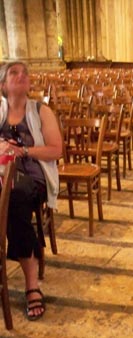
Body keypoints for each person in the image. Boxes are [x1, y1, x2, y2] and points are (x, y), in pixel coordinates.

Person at [0, 62, 62, 321]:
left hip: (32, 177)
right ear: (3, 84)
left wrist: (22, 151)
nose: (21, 75)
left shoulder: (40, 110)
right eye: (14, 72)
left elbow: (56, 150)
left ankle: (31, 284)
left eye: (24, 72)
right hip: (1, 175)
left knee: (15, 201)